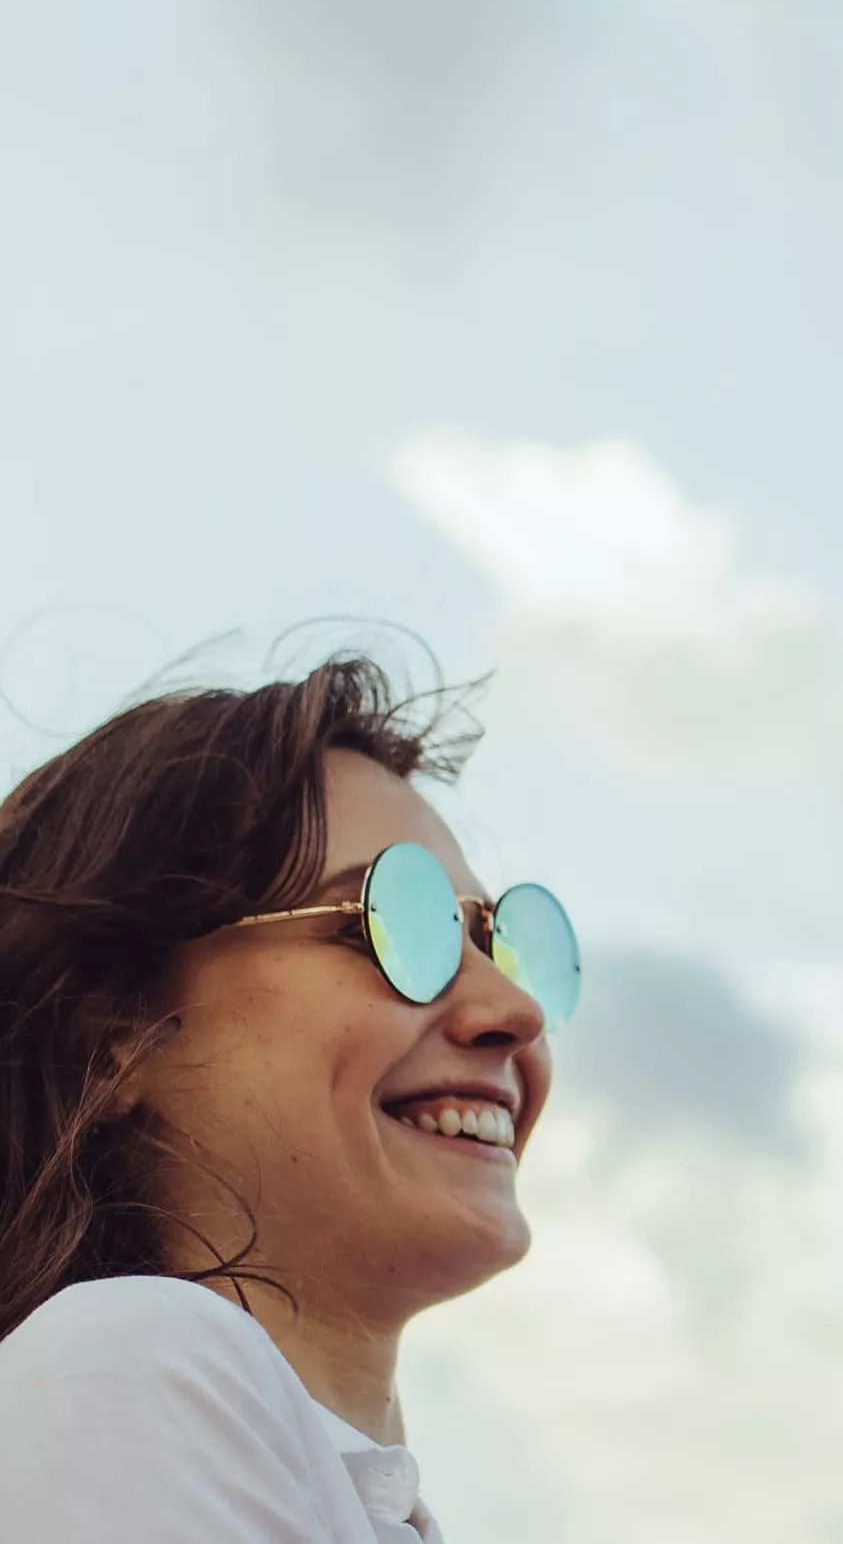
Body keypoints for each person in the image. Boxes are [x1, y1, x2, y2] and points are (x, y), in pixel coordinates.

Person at [0, 658, 581, 1541]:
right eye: (390, 923)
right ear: (114, 1028)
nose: (513, 1010)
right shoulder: (126, 1354)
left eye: (494, 940)